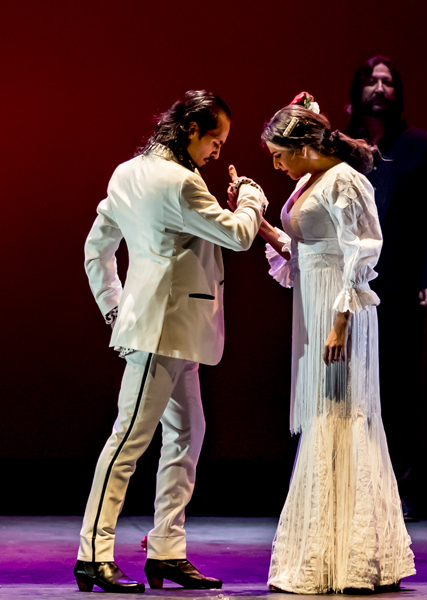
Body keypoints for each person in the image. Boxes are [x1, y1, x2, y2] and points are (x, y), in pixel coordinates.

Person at [77, 90, 268, 593]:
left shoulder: (127, 172)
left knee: (187, 435)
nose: (218, 153)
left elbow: (96, 251)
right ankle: (92, 555)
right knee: (128, 441)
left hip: (164, 329)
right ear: (190, 130)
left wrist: (116, 310)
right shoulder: (182, 183)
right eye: (215, 141)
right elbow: (240, 235)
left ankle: (166, 551)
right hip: (162, 331)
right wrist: (251, 195)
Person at [252, 93, 415, 594]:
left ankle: (353, 557)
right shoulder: (308, 180)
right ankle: (326, 553)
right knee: (324, 418)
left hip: (341, 312)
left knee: (341, 415)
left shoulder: (346, 180)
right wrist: (258, 220)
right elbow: (303, 251)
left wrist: (340, 322)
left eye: (279, 153)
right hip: (315, 302)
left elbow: (362, 251)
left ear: (303, 145)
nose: (277, 164)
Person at [345, 55, 427, 516]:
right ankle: (350, 485)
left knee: (399, 389)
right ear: (358, 90)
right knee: (347, 385)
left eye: (388, 81)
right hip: (348, 282)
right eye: (372, 80)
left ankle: (401, 488)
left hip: (401, 283)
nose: (380, 88)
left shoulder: (421, 146)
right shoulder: (342, 144)